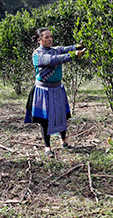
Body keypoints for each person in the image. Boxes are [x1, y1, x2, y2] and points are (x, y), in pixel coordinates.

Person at [24, 27, 84, 157]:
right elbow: (53, 60)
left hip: (57, 88)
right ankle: (47, 148)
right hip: (44, 90)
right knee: (44, 119)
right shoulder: (38, 54)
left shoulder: (54, 50)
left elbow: (64, 48)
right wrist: (73, 55)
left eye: (50, 36)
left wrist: (76, 47)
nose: (50, 39)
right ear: (39, 40)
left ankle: (64, 141)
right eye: (46, 37)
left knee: (62, 115)